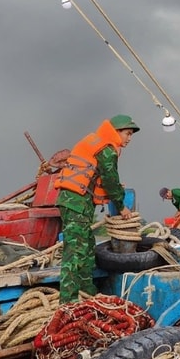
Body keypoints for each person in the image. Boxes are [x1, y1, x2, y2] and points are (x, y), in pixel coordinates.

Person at [54, 114, 139, 303]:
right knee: (75, 250)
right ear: (116, 131)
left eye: (131, 134)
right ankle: (67, 302)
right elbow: (110, 180)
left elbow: (102, 178)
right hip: (75, 203)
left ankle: (87, 292)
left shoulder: (98, 142)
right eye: (127, 133)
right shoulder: (107, 149)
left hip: (77, 203)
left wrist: (114, 187)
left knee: (87, 246)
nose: (129, 138)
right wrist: (121, 206)